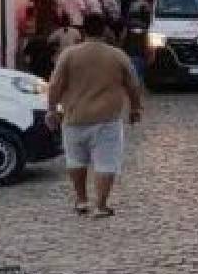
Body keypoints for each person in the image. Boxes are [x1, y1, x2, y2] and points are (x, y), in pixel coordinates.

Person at [46, 13, 144, 218]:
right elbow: (133, 84)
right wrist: (135, 108)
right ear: (105, 31)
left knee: (75, 160)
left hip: (74, 116)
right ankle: (101, 204)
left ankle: (81, 200)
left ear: (83, 31)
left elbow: (55, 85)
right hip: (107, 118)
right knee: (106, 162)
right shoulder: (117, 55)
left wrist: (52, 109)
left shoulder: (69, 55)